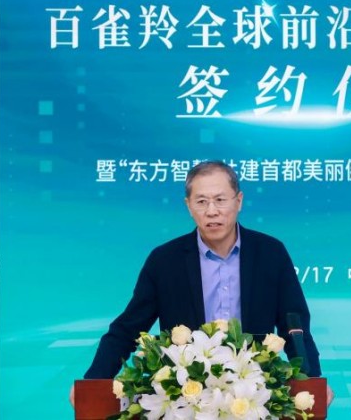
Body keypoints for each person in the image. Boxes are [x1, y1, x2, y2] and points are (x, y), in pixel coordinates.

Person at [71, 160, 332, 405]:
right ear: (188, 205)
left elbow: (295, 326)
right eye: (202, 201)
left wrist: (313, 381)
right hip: (185, 398)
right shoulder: (165, 261)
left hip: (254, 394)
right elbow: (128, 329)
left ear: (238, 201)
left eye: (220, 200)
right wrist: (92, 382)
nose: (212, 211)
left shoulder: (270, 253)